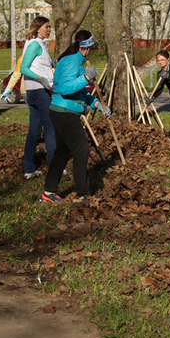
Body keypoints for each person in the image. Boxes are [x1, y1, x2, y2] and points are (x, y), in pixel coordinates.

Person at [40, 30, 109, 204]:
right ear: (86, 47)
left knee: (63, 152)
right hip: (64, 113)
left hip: (62, 111)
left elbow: (78, 92)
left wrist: (96, 104)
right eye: (91, 47)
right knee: (81, 150)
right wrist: (86, 77)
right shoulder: (72, 61)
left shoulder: (76, 61)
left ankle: (48, 194)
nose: (91, 51)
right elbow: (64, 88)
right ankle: (83, 194)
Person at [19, 16, 57, 180]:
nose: (49, 29)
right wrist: (40, 78)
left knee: (34, 131)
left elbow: (38, 64)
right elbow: (23, 68)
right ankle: (55, 168)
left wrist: (52, 64)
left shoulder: (38, 43)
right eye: (47, 27)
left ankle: (29, 169)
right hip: (40, 92)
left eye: (50, 27)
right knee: (50, 129)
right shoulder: (35, 44)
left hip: (34, 92)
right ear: (38, 27)